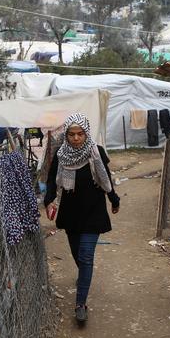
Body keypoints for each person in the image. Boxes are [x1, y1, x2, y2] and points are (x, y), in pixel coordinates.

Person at [44, 113, 120, 324]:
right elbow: (51, 180)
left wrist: (114, 199)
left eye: (80, 134)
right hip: (70, 213)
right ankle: (83, 277)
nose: (76, 138)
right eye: (72, 134)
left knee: (86, 256)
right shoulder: (61, 155)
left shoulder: (97, 152)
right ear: (66, 135)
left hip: (93, 212)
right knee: (78, 255)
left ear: (86, 133)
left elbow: (106, 178)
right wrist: (49, 199)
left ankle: (80, 304)